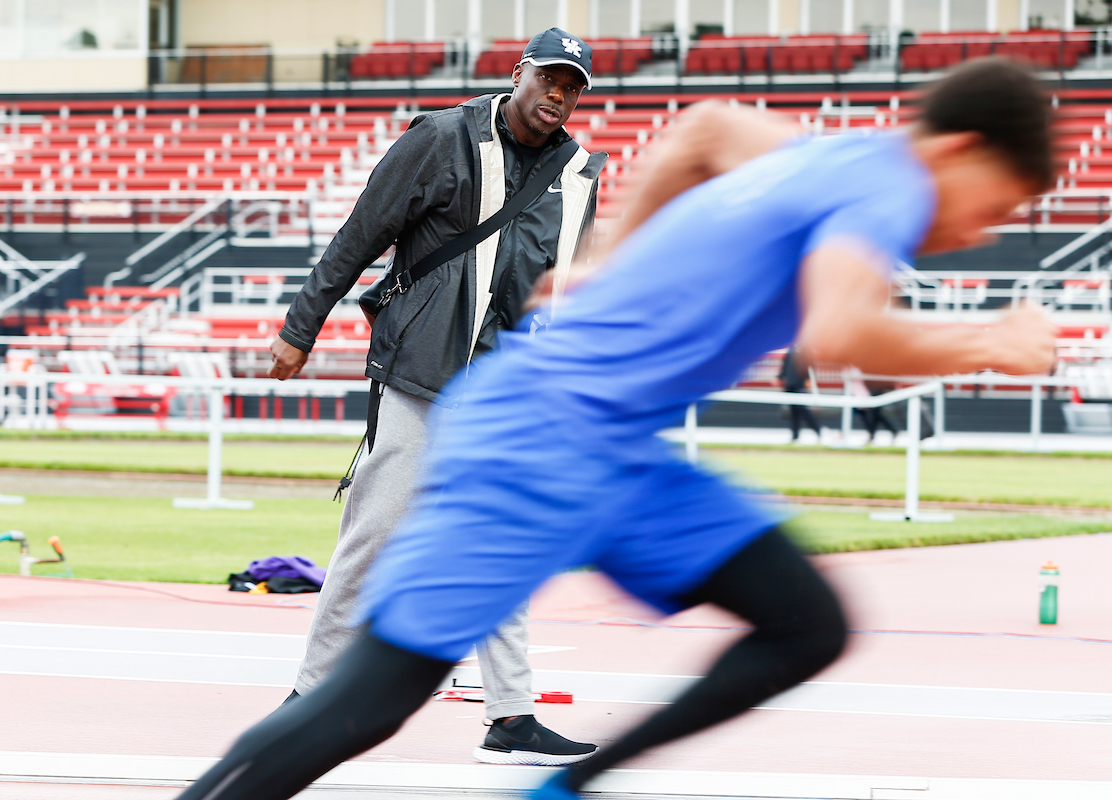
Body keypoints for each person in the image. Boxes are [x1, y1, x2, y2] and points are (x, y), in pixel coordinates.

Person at [175, 57, 1058, 800]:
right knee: (368, 702)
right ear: (960, 149)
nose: (986, 233)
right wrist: (991, 339)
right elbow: (840, 333)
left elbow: (708, 127)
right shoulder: (890, 191)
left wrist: (609, 259)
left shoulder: (831, 157)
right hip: (536, 439)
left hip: (610, 452)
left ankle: (565, 789)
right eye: (1001, 204)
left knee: (807, 622)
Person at [265, 27, 607, 765]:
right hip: (422, 367)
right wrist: (302, 327)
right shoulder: (442, 137)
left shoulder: (580, 173)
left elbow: (567, 290)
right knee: (373, 534)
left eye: (572, 85)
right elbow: (359, 236)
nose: (558, 93)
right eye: (548, 77)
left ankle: (511, 715)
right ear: (518, 73)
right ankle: (308, 697)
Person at [778, 345, 824, 443]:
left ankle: (819, 430)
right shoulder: (791, 349)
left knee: (803, 410)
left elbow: (810, 365)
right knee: (794, 411)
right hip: (790, 384)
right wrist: (780, 377)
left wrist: (809, 379)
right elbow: (786, 364)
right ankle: (795, 436)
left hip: (800, 383)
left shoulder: (806, 349)